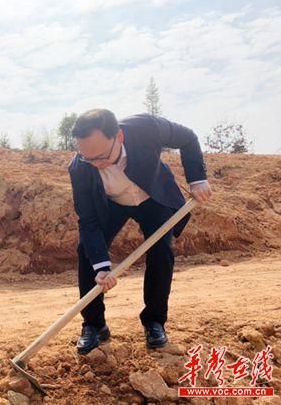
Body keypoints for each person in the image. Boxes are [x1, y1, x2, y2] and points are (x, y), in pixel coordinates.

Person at [68, 109, 213, 354]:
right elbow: (88, 220)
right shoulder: (81, 168)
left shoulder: (147, 128)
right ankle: (94, 325)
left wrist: (197, 179)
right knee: (87, 252)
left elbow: (188, 138)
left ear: (119, 137)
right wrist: (102, 267)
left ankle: (154, 322)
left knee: (161, 251)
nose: (96, 165)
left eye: (101, 157)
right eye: (88, 158)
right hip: (111, 203)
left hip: (152, 196)